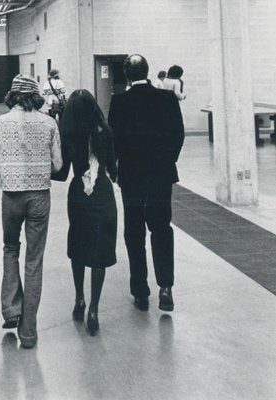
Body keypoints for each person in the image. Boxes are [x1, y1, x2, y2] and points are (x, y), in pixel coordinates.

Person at [0, 74, 62, 349]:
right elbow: (57, 164)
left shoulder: (0, 123)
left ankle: (11, 309)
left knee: (10, 248)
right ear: (35, 95)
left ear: (13, 96)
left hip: (11, 195)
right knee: (34, 259)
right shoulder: (49, 123)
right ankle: (29, 332)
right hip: (39, 196)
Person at [108, 55, 184, 312]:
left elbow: (114, 140)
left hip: (131, 178)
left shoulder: (119, 102)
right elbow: (178, 134)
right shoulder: (166, 99)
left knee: (134, 232)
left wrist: (116, 168)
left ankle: (140, 289)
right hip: (161, 177)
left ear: (127, 75)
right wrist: (166, 162)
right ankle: (166, 287)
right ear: (148, 71)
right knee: (162, 229)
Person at [52, 89, 117, 336]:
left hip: (78, 192)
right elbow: (112, 167)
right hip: (102, 192)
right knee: (100, 249)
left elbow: (60, 173)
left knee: (79, 245)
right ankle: (94, 309)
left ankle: (79, 298)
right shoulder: (106, 133)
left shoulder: (69, 135)